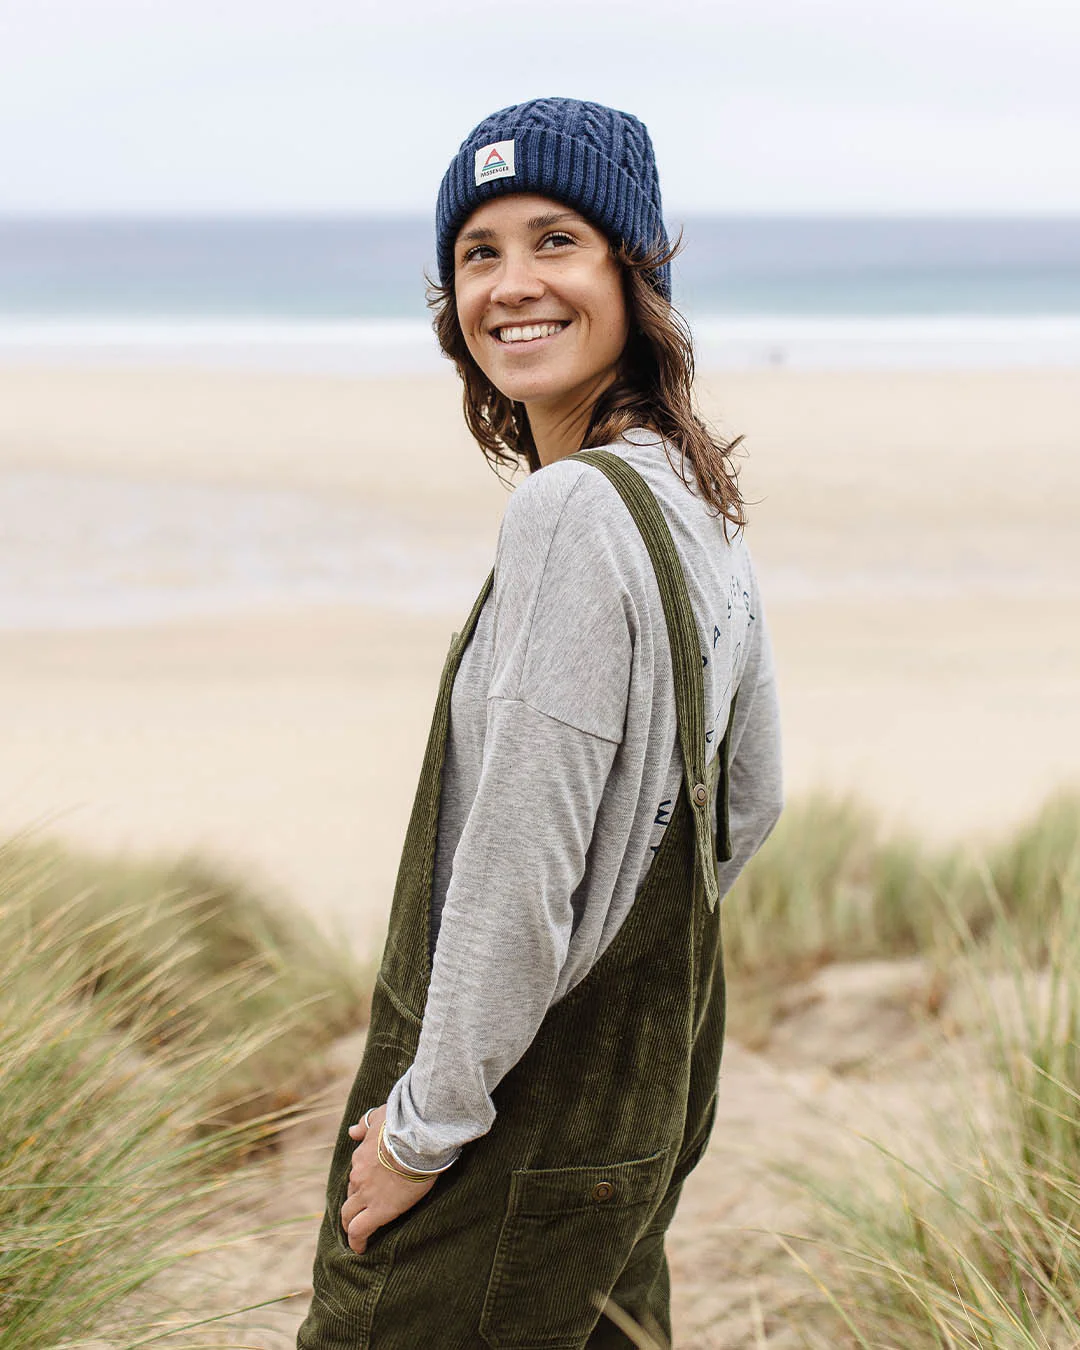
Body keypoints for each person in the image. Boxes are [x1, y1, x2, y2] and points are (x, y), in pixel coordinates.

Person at [297, 97, 783, 1350]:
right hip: (648, 1102)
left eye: (555, 240)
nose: (511, 284)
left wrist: (425, 1129)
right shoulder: (696, 493)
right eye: (479, 252)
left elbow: (520, 868)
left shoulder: (569, 513)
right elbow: (749, 800)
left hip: (512, 1115)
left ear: (634, 271)